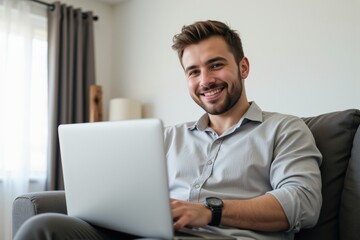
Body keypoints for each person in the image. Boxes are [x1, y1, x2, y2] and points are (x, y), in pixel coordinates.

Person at [14, 20, 322, 240]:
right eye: (194, 71)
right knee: (41, 227)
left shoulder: (285, 129)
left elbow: (303, 203)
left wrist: (210, 211)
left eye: (216, 65)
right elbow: (129, 196)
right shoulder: (167, 137)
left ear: (243, 67)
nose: (205, 80)